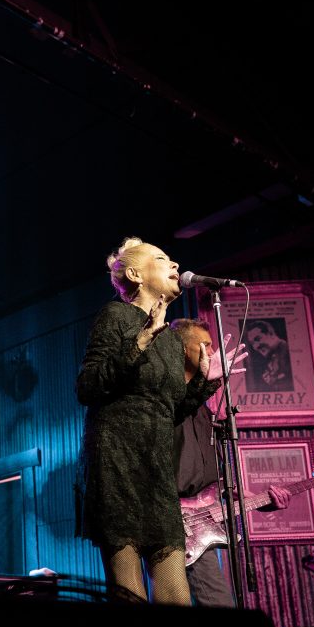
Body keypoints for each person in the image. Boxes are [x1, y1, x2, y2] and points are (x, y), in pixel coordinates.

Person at [75, 237, 245, 605]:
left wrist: (206, 382)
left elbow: (171, 411)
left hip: (157, 471)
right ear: (135, 275)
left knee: (174, 593)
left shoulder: (170, 341)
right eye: (162, 258)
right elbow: (87, 386)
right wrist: (139, 341)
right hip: (117, 464)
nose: (175, 264)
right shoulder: (116, 316)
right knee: (129, 592)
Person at [171, 319, 290, 606]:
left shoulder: (203, 412)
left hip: (199, 524)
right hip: (174, 521)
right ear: (181, 350)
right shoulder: (167, 401)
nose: (214, 353)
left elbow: (215, 484)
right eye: (206, 345)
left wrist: (261, 500)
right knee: (218, 603)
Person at [244, 319, 292, 391]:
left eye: (258, 339)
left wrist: (275, 379)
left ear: (271, 333)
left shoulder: (287, 352)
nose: (256, 346)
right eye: (252, 343)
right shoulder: (273, 356)